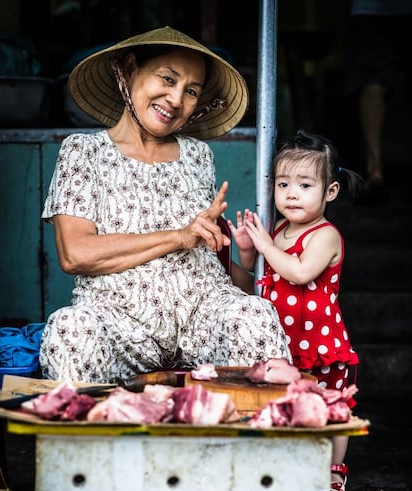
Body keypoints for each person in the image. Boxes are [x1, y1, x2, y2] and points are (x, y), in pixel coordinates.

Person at [39, 26, 291, 384]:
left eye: (191, 91)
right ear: (127, 69)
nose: (175, 99)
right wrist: (179, 236)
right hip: (120, 322)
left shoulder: (198, 155)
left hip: (202, 316)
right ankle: (90, 437)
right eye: (167, 79)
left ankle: (255, 435)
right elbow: (75, 254)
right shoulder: (83, 152)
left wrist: (251, 270)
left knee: (255, 314)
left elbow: (205, 255)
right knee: (70, 329)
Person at [228, 128, 363, 491]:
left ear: (330, 191)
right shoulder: (280, 230)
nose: (291, 194)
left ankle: (334, 473)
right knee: (292, 405)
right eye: (282, 184)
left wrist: (267, 244)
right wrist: (249, 254)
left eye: (305, 185)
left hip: (320, 342)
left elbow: (300, 273)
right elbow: (253, 286)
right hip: (282, 345)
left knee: (331, 406)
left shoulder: (324, 235)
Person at [345, 0, 412, 202]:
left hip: (369, 11)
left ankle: (375, 170)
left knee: (373, 84)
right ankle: (374, 171)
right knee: (373, 83)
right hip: (373, 11)